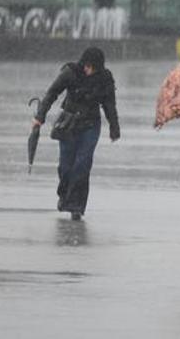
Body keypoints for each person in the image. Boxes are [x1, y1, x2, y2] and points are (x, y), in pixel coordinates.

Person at [32, 47, 120, 221]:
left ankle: (77, 207)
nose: (88, 70)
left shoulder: (105, 79)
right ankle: (65, 196)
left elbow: (109, 105)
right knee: (65, 167)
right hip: (69, 124)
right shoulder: (70, 73)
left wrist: (114, 128)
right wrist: (39, 117)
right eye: (87, 66)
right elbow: (52, 93)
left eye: (92, 67)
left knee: (83, 164)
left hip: (91, 125)